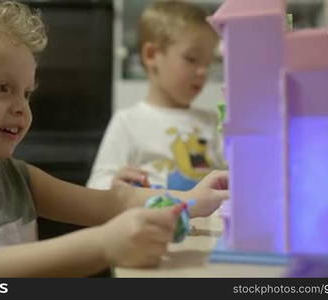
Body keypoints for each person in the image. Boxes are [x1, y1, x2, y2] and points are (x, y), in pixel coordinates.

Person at [0, 0, 228, 278]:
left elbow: (111, 203)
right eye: (2, 88)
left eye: (26, 93)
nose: (21, 108)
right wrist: (105, 245)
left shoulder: (19, 177)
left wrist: (192, 200)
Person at [87, 0, 226, 191]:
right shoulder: (128, 122)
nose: (203, 71)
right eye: (191, 59)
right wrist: (115, 184)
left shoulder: (212, 122)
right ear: (151, 55)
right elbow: (96, 188)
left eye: (208, 63)